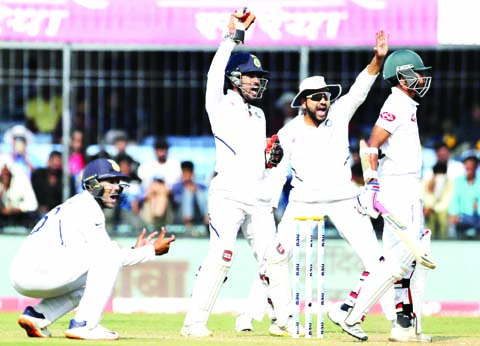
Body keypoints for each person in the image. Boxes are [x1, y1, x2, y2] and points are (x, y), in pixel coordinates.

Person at [258, 30, 394, 340]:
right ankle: (284, 318)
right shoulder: (288, 132)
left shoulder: (339, 114)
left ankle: (348, 311)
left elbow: (360, 89)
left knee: (379, 263)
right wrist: (267, 206)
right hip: (304, 202)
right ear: (302, 102)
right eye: (316, 97)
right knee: (276, 258)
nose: (324, 101)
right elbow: (278, 173)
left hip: (344, 199)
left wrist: (378, 60)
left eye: (326, 96)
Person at [181, 8, 288, 337]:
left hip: (257, 195)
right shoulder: (219, 103)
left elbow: (257, 159)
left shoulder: (259, 115)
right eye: (249, 76)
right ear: (234, 78)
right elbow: (213, 73)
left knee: (274, 256)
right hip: (227, 193)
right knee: (222, 256)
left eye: (258, 77)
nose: (256, 81)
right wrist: (232, 37)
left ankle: (282, 320)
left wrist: (269, 159)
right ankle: (194, 323)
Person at [9, 158, 176, 340]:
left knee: (94, 276)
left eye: (117, 182)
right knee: (109, 256)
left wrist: (132, 250)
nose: (117, 187)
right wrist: (150, 250)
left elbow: (100, 260)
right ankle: (85, 325)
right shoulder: (88, 207)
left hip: (28, 272)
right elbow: (109, 258)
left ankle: (39, 315)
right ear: (91, 185)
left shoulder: (79, 204)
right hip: (37, 270)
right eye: (110, 181)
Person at [337, 49, 434, 342]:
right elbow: (371, 144)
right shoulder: (397, 103)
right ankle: (352, 315)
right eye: (416, 73)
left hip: (405, 188)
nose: (421, 78)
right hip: (398, 188)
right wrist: (372, 184)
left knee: (403, 263)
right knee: (400, 262)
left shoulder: (406, 104)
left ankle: (403, 327)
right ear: (403, 76)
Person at [31, 150, 75, 216]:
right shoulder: (38, 174)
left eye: (58, 162)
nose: (55, 164)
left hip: (59, 213)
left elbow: (71, 197)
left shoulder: (66, 178)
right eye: (54, 161)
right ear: (49, 161)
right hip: (38, 212)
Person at [0, 155, 38, 228]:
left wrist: (16, 209)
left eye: (7, 171)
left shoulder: (22, 180)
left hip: (21, 218)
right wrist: (4, 187)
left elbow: (33, 204)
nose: (5, 174)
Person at [448, 155, 480, 239]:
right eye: (467, 166)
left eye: (471, 166)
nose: (468, 168)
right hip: (461, 217)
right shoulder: (458, 181)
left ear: (476, 167)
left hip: (477, 218)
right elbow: (454, 199)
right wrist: (453, 213)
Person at [171, 160, 208, 227]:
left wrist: (195, 190)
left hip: (197, 213)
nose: (187, 175)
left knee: (200, 193)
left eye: (189, 172)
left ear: (192, 173)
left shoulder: (200, 186)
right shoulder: (176, 186)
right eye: (185, 172)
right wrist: (186, 189)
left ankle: (207, 218)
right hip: (180, 214)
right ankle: (188, 222)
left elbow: (205, 199)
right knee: (188, 193)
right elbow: (175, 201)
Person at [422, 161, 454, 239]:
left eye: (442, 173)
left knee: (443, 218)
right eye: (438, 173)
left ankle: (444, 239)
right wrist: (429, 206)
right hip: (429, 209)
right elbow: (425, 195)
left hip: (443, 209)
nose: (440, 175)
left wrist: (435, 208)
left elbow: (447, 198)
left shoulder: (449, 182)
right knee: (430, 220)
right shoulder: (428, 182)